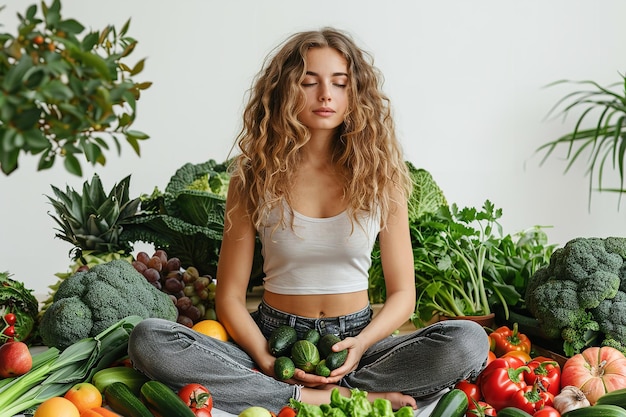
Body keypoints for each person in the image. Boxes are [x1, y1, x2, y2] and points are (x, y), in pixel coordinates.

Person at [127, 27, 489, 415]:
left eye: (340, 83)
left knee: (469, 341)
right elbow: (229, 298)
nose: (325, 95)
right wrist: (266, 360)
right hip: (273, 341)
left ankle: (292, 391)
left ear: (356, 94)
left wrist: (362, 345)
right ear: (284, 90)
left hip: (355, 343)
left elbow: (403, 295)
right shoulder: (251, 175)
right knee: (148, 339)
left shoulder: (383, 175)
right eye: (308, 82)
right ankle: (334, 398)